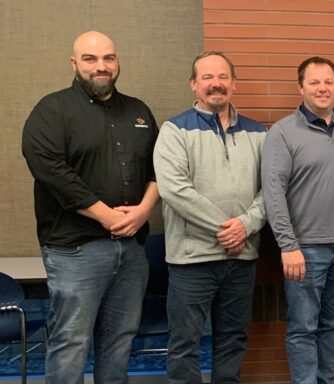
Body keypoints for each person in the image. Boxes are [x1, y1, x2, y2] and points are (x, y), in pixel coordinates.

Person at [22, 30, 159, 384]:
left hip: (131, 250)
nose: (101, 66)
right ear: (74, 63)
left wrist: (145, 210)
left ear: (117, 62)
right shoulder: (52, 110)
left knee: (119, 341)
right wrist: (106, 215)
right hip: (76, 251)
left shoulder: (139, 111)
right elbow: (51, 170)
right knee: (71, 342)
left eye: (108, 58)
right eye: (90, 59)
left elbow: (158, 170)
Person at [154, 51, 266, 384]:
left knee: (233, 340)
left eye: (222, 77)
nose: (215, 84)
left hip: (241, 259)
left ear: (233, 82)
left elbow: (272, 190)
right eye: (207, 78)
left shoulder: (258, 133)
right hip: (192, 260)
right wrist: (227, 229)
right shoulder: (174, 131)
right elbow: (175, 190)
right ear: (193, 84)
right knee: (184, 344)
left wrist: (245, 226)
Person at [262, 56, 334, 384]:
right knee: (303, 328)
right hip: (304, 251)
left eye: (328, 81)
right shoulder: (283, 133)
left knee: (333, 325)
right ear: (300, 87)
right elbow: (273, 193)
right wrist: (288, 246)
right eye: (314, 82)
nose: (322, 88)